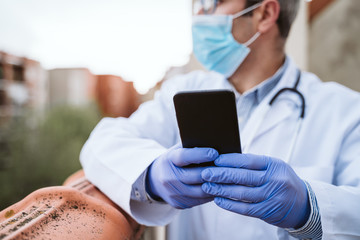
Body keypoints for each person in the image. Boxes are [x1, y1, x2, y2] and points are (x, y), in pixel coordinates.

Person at [80, 0, 360, 239]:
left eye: (212, 3)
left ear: (264, 14)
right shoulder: (182, 91)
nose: (199, 15)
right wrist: (152, 176)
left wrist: (309, 206)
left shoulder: (345, 110)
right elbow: (101, 143)